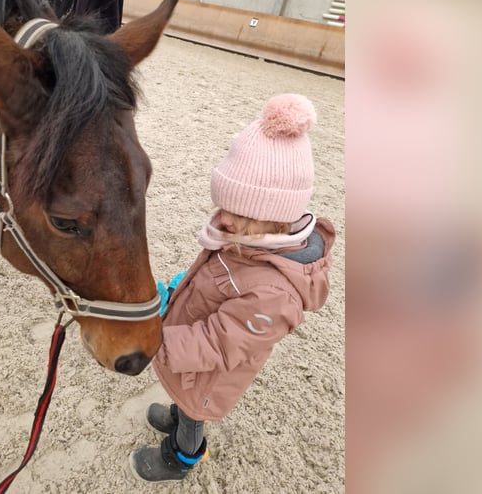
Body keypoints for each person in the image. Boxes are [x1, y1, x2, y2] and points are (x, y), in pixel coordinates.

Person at [130, 94, 336, 482]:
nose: (222, 219)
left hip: (209, 377)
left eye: (236, 213)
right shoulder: (246, 240)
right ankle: (178, 413)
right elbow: (210, 281)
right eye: (222, 205)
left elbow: (219, 342)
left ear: (274, 218)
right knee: (183, 401)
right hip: (189, 362)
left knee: (195, 414)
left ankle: (180, 457)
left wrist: (156, 340)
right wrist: (176, 294)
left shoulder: (274, 294)